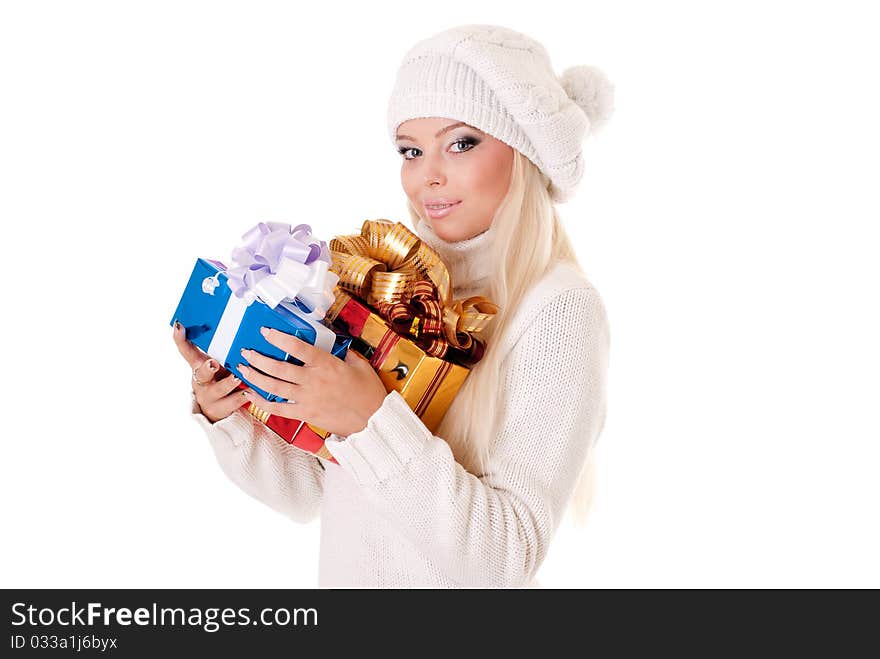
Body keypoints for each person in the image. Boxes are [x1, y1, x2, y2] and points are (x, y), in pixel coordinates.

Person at [172, 23, 614, 588]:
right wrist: (233, 407)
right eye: (411, 149)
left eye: (461, 143)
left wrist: (367, 418)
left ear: (524, 153)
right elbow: (313, 491)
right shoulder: (396, 288)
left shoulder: (558, 311)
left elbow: (505, 561)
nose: (428, 174)